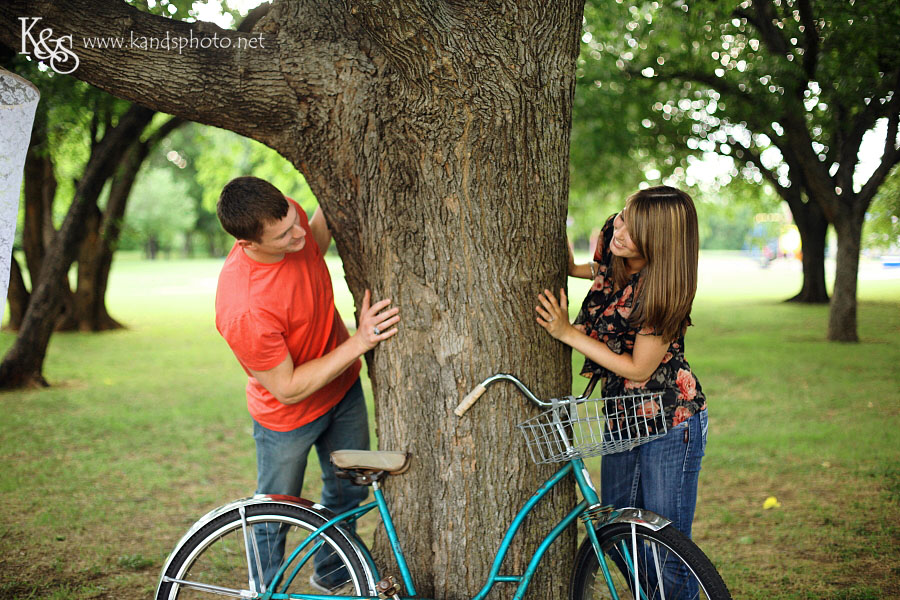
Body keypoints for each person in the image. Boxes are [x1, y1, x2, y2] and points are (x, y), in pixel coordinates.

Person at [214, 176, 399, 593]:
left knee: (348, 496)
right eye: (283, 234)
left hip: (342, 390)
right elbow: (288, 387)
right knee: (274, 514)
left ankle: (331, 577)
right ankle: (266, 591)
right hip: (288, 419)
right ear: (248, 244)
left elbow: (313, 240)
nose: (298, 231)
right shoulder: (243, 308)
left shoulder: (288, 216)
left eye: (293, 219)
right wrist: (360, 341)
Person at [535, 185, 707, 594]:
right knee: (615, 533)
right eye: (624, 216)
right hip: (623, 421)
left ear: (659, 243)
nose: (621, 229)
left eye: (635, 227)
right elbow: (592, 271)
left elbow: (639, 367)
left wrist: (566, 332)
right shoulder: (616, 239)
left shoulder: (666, 290)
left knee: (667, 547)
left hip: (670, 422)